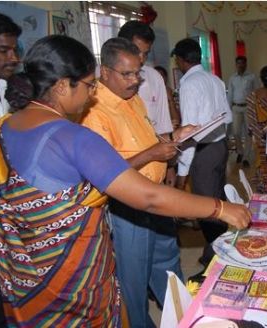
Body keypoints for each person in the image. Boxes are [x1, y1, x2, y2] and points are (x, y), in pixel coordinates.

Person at [0, 34, 250, 326]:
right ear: (62, 85)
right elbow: (148, 197)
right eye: (89, 85)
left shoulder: (6, 125)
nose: (92, 94)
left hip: (28, 269)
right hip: (71, 277)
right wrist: (220, 208)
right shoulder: (73, 136)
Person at [80, 36, 186, 327]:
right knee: (134, 279)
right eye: (127, 74)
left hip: (157, 195)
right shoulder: (94, 112)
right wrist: (153, 152)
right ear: (105, 72)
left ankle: (185, 317)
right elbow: (106, 174)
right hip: (128, 205)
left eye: (138, 72)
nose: (135, 80)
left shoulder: (133, 100)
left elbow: (147, 141)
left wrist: (171, 142)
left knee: (168, 264)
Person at [172, 38, 233, 268]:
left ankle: (218, 259)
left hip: (203, 153)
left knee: (206, 207)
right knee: (218, 199)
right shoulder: (214, 79)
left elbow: (189, 131)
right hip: (220, 147)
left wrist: (182, 173)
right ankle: (212, 252)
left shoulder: (188, 84)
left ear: (180, 60)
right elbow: (227, 117)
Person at [0, 11, 21, 327]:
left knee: (13, 288)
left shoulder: (9, 94)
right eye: (3, 50)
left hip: (13, 212)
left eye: (15, 50)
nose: (12, 57)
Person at [227, 56, 259, 168]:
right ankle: (240, 152)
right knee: (235, 132)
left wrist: (255, 109)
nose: (240, 65)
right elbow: (230, 94)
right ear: (236, 65)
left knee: (249, 133)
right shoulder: (232, 78)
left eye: (242, 63)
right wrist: (227, 109)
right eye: (238, 63)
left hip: (248, 108)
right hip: (236, 108)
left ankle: (246, 157)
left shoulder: (252, 77)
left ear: (246, 64)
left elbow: (256, 92)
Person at [155, 65, 181, 130]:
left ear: (166, 78)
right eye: (156, 76)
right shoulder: (147, 96)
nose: (158, 79)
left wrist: (170, 99)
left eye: (161, 76)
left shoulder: (173, 94)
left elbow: (177, 120)